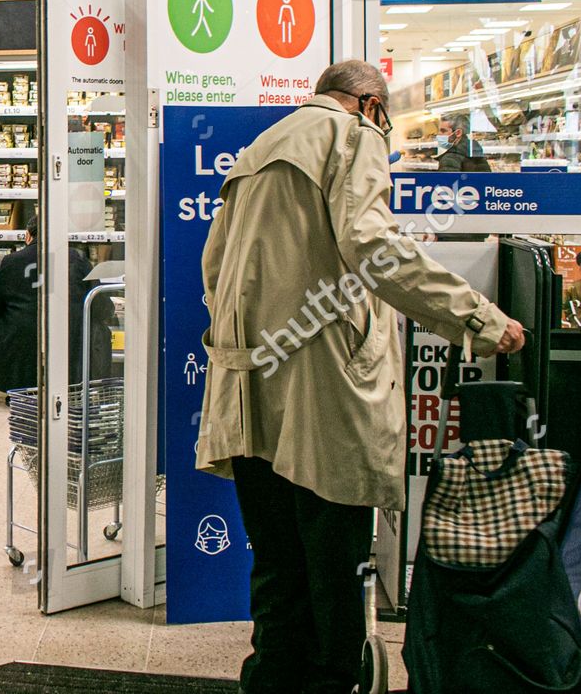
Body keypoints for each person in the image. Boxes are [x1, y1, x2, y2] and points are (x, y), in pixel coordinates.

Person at [195, 59, 525, 694]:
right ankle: (333, 681)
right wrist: (477, 317)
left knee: (277, 561)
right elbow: (375, 247)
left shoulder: (257, 151)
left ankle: (272, 681)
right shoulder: (353, 138)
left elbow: (215, 268)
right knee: (336, 564)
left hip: (247, 389)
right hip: (325, 394)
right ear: (371, 106)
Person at [0, 214, 113, 393]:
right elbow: (100, 306)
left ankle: (20, 389)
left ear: (28, 236)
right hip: (70, 343)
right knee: (97, 329)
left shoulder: (8, 262)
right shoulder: (78, 259)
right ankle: (75, 387)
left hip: (20, 348)